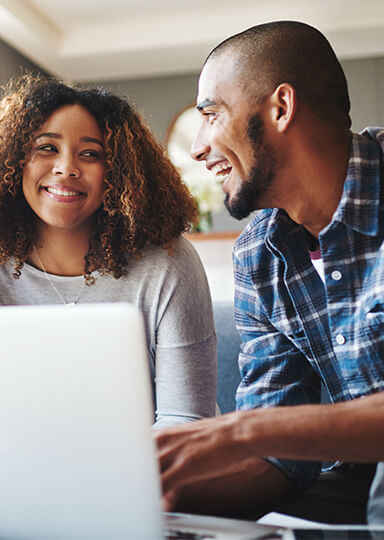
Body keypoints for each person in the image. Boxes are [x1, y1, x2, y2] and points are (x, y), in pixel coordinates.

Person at [155, 20, 384, 524]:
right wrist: (149, 493)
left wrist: (236, 433)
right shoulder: (258, 255)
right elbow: (280, 460)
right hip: (357, 489)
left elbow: (260, 434)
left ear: (281, 108)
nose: (197, 147)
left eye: (211, 115)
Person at [0, 73, 217, 429]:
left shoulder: (168, 262)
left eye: (90, 154)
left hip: (161, 469)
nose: (66, 168)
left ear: (118, 171)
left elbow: (186, 419)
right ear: (14, 161)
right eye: (47, 148)